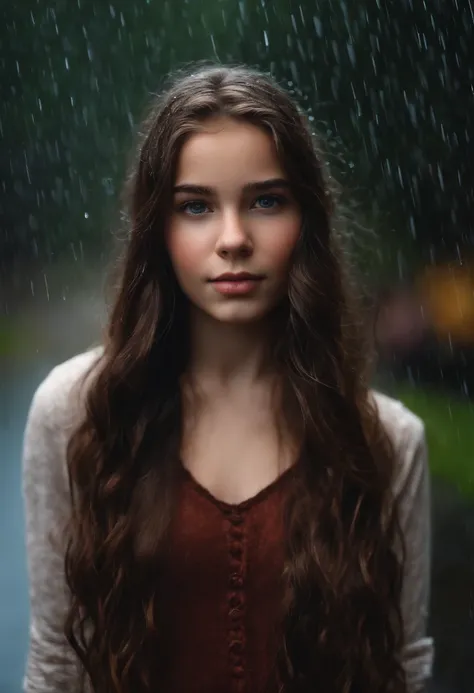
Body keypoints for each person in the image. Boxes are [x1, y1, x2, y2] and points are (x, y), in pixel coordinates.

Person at [22, 64, 433, 693]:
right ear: (156, 229)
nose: (233, 239)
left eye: (267, 201)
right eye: (196, 207)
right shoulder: (78, 415)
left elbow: (400, 670)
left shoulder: (386, 443)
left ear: (307, 221)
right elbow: (55, 666)